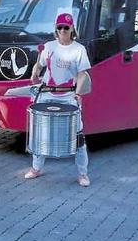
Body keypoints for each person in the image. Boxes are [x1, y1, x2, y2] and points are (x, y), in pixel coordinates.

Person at [25, 13, 92, 187]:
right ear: (56, 29)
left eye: (66, 28)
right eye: (59, 27)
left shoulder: (79, 49)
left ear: (72, 29)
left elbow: (82, 73)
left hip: (68, 94)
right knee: (41, 131)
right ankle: (36, 168)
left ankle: (82, 174)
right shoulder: (48, 46)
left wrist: (78, 93)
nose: (62, 30)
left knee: (78, 135)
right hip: (47, 93)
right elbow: (39, 65)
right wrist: (34, 75)